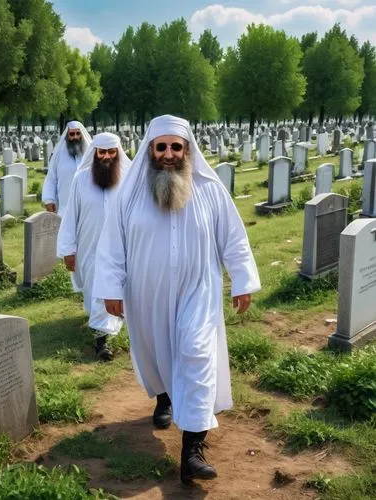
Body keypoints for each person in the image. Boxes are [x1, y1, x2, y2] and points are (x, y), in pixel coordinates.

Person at [93, 115, 260, 484]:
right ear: (150, 150)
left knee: (196, 353)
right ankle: (164, 398)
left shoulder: (210, 192)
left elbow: (233, 238)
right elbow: (111, 247)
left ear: (187, 150)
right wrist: (110, 288)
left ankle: (193, 450)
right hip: (146, 295)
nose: (169, 154)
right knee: (158, 355)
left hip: (198, 290)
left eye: (176, 147)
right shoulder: (129, 196)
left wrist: (242, 280)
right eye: (161, 147)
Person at [57, 133, 131, 361]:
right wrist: (67, 250)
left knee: (120, 291)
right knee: (96, 293)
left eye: (111, 152)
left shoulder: (129, 179)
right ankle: (102, 337)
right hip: (90, 250)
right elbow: (70, 217)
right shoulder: (81, 180)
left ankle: (108, 338)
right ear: (95, 153)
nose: (107, 156)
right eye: (102, 152)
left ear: (118, 152)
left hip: (123, 250)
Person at [42, 120, 92, 216]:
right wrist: (49, 199)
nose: (75, 137)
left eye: (78, 133)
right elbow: (51, 178)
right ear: (67, 136)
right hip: (64, 208)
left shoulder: (90, 154)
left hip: (87, 208)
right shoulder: (58, 155)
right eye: (72, 134)